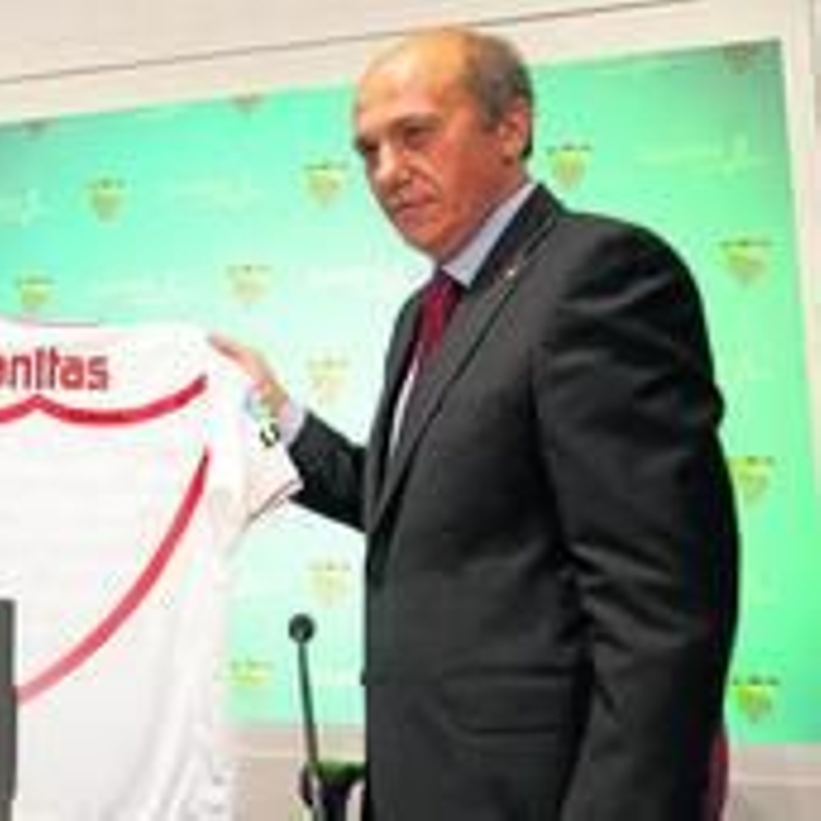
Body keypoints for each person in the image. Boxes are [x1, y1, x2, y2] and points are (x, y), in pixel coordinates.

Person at [214, 27, 738, 819]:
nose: (388, 171)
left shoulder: (600, 276)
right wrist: (275, 411)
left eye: (415, 133)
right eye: (368, 150)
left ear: (511, 127)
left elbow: (661, 615)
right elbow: (409, 505)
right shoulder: (421, 314)